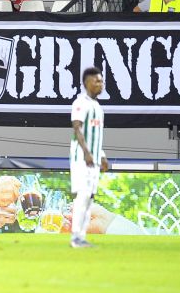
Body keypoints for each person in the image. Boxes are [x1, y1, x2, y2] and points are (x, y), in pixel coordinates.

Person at [69, 67, 109, 249]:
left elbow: (96, 136)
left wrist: (102, 156)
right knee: (83, 195)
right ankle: (76, 236)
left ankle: (81, 236)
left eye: (101, 81)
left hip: (94, 160)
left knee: (89, 198)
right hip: (82, 158)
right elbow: (77, 127)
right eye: (96, 81)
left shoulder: (98, 107)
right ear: (87, 83)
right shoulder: (80, 103)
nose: (100, 84)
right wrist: (86, 152)